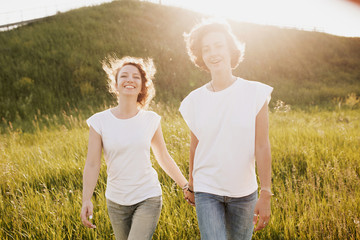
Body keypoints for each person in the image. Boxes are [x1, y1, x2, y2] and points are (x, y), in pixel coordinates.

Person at [80, 56, 193, 240]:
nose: (130, 79)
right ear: (115, 85)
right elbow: (92, 163)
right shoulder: (99, 121)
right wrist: (86, 199)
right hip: (116, 201)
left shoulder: (150, 120)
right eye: (124, 76)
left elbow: (163, 156)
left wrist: (185, 186)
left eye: (136, 77)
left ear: (142, 86)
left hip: (147, 196)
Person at [179, 18, 273, 240]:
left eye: (218, 45)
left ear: (231, 48)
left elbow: (262, 145)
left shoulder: (255, 93)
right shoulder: (194, 100)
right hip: (207, 190)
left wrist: (266, 192)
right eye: (206, 49)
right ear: (200, 56)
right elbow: (196, 144)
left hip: (244, 192)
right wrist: (192, 184)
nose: (213, 53)